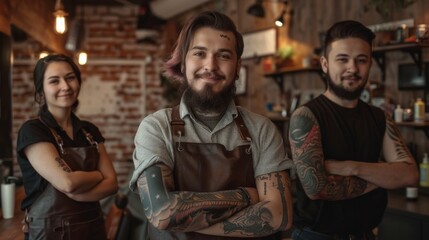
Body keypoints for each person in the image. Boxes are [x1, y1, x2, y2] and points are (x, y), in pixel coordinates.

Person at [129, 11, 294, 239]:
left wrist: (184, 220)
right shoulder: (156, 127)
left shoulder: (261, 129)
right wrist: (246, 196)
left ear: (237, 67)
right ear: (183, 62)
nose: (211, 65)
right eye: (199, 53)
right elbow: (161, 212)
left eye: (224, 55)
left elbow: (278, 216)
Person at [288, 20, 419, 240]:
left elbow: (410, 175)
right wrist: (383, 176)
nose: (353, 68)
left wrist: (350, 167)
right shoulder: (306, 116)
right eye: (343, 59)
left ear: (369, 64)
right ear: (325, 64)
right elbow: (316, 188)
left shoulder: (380, 118)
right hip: (317, 236)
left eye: (361, 60)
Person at [17, 54, 118, 240]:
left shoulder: (89, 131)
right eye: (54, 81)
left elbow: (112, 184)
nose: (65, 86)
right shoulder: (33, 130)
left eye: (70, 78)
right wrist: (98, 175)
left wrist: (78, 195)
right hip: (49, 232)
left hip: (93, 227)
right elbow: (67, 183)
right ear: (41, 90)